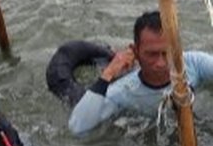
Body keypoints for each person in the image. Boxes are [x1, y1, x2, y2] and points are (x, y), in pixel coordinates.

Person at [68, 10, 213, 136]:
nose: (160, 63)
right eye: (152, 54)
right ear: (135, 51)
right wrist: (109, 72)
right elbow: (78, 128)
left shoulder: (195, 63)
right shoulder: (123, 92)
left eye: (166, 53)